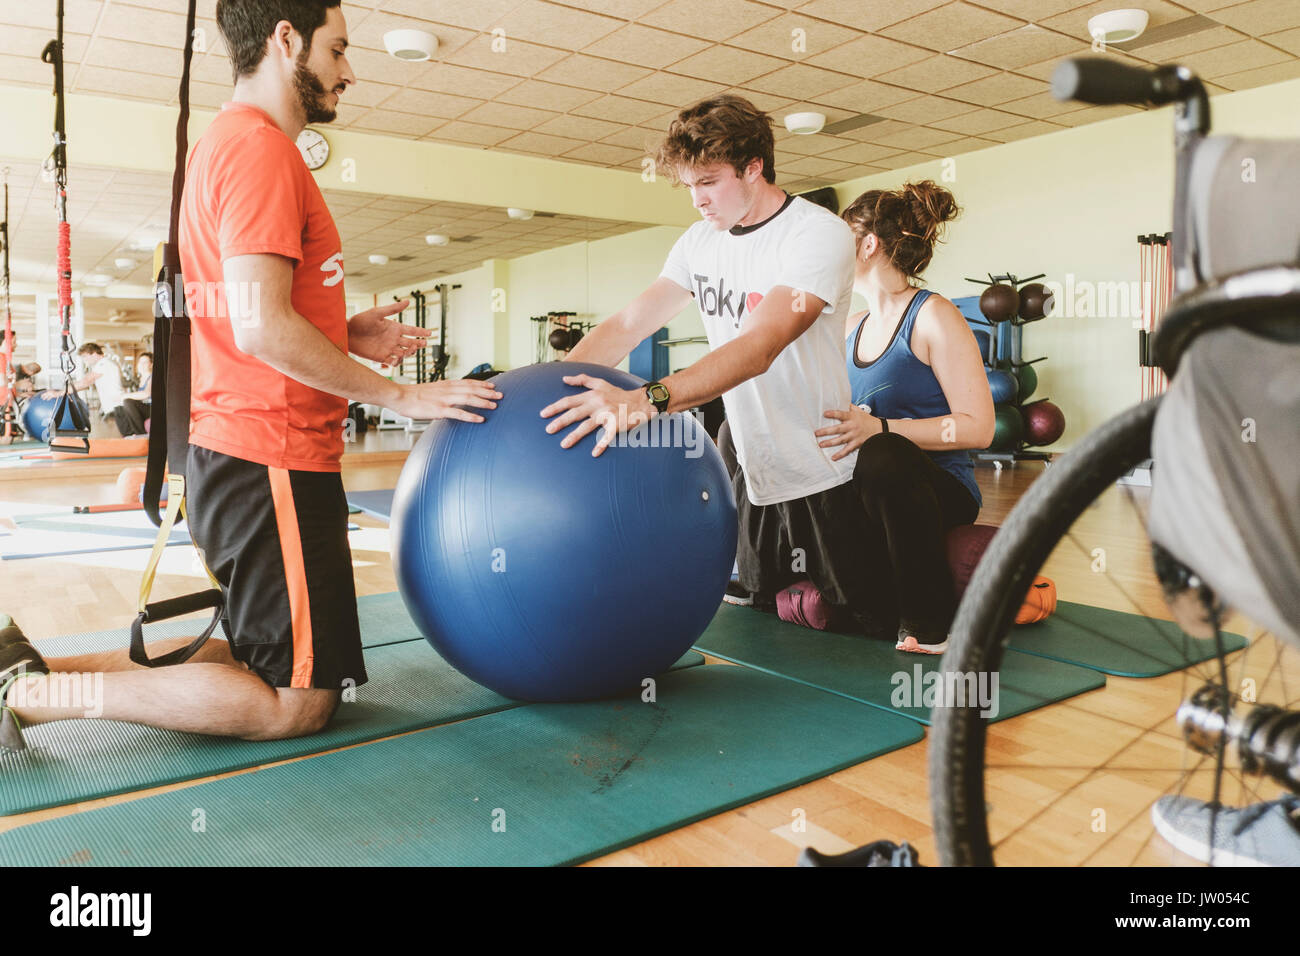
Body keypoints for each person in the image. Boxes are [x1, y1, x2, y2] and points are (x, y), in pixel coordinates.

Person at [0, 0, 502, 752]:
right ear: (286, 39)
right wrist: (404, 397)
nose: (349, 71)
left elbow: (249, 310)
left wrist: (344, 330)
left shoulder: (228, 144)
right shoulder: (262, 151)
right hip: (272, 455)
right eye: (338, 50)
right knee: (294, 700)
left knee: (257, 654)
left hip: (252, 453)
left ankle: (23, 675)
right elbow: (261, 327)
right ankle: (38, 700)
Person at [540, 94, 910, 642]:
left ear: (754, 167)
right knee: (764, 611)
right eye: (689, 185)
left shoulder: (817, 234)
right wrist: (543, 387)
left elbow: (760, 346)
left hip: (820, 456)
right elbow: (629, 322)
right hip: (748, 457)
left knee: (865, 622)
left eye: (709, 182)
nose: (697, 200)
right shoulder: (699, 242)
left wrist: (648, 399)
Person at [815, 182, 994, 653]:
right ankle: (852, 604)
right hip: (868, 486)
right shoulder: (851, 326)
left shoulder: (934, 316)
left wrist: (882, 429)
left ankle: (929, 624)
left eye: (839, 239)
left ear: (868, 244)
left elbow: (979, 425)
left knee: (882, 453)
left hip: (936, 487)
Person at [46, 343, 146, 437]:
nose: (85, 361)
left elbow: (85, 382)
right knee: (128, 435)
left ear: (94, 354)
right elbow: (85, 385)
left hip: (119, 405)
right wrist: (66, 390)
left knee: (129, 435)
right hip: (117, 406)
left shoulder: (104, 364)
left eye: (85, 357)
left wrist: (59, 393)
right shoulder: (103, 365)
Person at [121, 351, 152, 433]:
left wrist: (126, 395)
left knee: (127, 402)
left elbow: (146, 394)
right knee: (121, 406)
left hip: (153, 409)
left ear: (151, 365)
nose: (141, 365)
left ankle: (140, 433)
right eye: (140, 362)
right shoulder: (141, 378)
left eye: (145, 362)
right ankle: (128, 434)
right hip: (145, 407)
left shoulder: (152, 377)